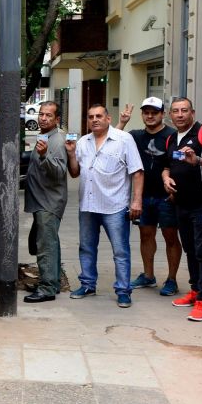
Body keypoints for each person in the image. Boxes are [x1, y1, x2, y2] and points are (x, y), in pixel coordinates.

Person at [64, 104, 144, 308]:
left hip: (114, 206)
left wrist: (136, 201)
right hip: (88, 206)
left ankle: (124, 291)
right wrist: (72, 154)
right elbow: (75, 173)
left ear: (108, 118)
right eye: (91, 117)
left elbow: (137, 172)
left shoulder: (123, 139)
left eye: (99, 116)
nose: (95, 119)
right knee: (87, 248)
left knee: (120, 251)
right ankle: (88, 285)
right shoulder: (83, 142)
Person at [160, 97, 202, 321]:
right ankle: (196, 290)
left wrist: (198, 160)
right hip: (180, 204)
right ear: (170, 114)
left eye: (184, 110)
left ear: (192, 113)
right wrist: (166, 179)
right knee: (190, 249)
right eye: (175, 111)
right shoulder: (170, 139)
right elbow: (166, 167)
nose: (179, 115)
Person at [118, 97, 183, 296]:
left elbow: (180, 164)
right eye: (146, 112)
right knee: (146, 235)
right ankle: (148, 275)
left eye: (154, 112)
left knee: (170, 237)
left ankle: (172, 280)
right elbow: (113, 141)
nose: (150, 116)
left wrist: (175, 189)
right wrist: (122, 122)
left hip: (166, 197)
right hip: (143, 196)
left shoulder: (173, 135)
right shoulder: (135, 136)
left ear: (162, 114)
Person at [23, 101, 68, 303]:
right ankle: (53, 282)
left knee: (45, 245)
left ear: (57, 119)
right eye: (41, 114)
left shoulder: (57, 141)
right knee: (50, 242)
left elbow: (59, 173)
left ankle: (47, 288)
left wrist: (43, 156)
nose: (43, 118)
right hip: (41, 200)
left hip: (48, 202)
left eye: (48, 115)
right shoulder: (44, 136)